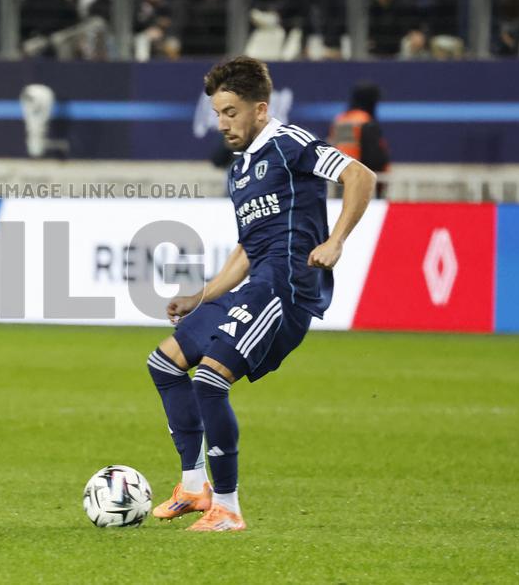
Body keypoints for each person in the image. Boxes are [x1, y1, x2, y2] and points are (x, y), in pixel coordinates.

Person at [146, 56, 376, 531]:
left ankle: (227, 509)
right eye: (217, 113)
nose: (222, 122)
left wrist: (335, 241)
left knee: (210, 380)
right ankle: (193, 486)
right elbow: (248, 248)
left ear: (260, 108)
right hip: (257, 281)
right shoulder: (240, 171)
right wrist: (202, 295)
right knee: (164, 364)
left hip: (286, 286)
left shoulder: (289, 143)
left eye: (231, 111)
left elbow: (361, 176)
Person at [328, 82, 390, 196]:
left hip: (340, 181)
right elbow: (374, 159)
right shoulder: (365, 122)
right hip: (362, 182)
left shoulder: (340, 120)